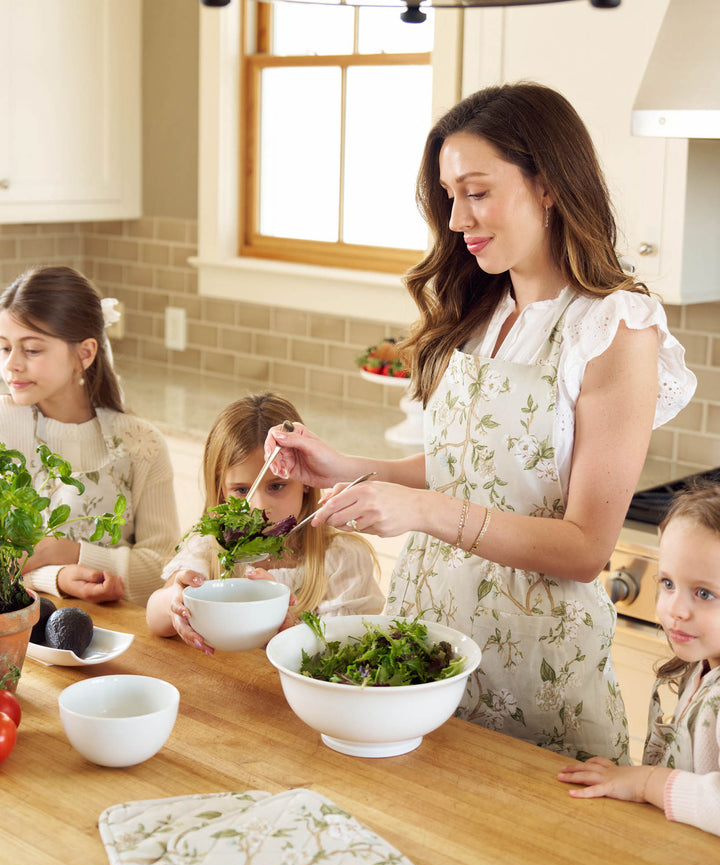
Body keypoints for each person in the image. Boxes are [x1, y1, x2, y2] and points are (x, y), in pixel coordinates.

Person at [263, 82, 697, 761]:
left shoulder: (614, 327)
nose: (458, 218)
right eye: (448, 195)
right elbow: (473, 470)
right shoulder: (480, 312)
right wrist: (348, 467)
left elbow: (586, 547)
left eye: (477, 192)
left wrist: (422, 511)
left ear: (548, 184)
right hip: (428, 642)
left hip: (538, 668)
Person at [146, 392, 385, 653]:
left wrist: (291, 627)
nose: (259, 507)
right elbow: (155, 620)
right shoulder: (207, 547)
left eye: (277, 486)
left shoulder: (342, 559)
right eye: (241, 490)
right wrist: (174, 601)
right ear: (220, 490)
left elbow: (346, 651)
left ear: (306, 480)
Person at [0, 265, 179, 605]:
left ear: (84, 353)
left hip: (119, 631)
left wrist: (69, 552)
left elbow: (165, 569)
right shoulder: (3, 427)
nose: (11, 365)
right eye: (5, 347)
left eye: (32, 350)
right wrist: (56, 577)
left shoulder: (142, 444)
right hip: (19, 628)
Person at [558, 481, 720, 837]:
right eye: (668, 583)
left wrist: (646, 783)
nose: (675, 609)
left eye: (704, 593)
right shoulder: (703, 665)